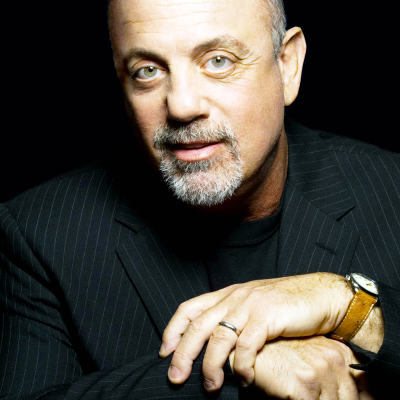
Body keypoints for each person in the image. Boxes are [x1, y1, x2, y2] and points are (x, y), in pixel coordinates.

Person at [0, 0, 399, 399]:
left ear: (287, 65)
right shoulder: (40, 234)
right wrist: (237, 368)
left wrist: (354, 308)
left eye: (218, 61)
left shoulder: (392, 190)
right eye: (148, 71)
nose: (182, 106)